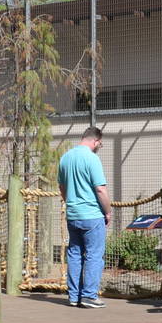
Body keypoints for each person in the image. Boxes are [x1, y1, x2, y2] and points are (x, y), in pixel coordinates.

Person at [57, 126, 113, 308]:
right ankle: (89, 295)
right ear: (95, 141)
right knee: (94, 254)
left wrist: (70, 202)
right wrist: (108, 211)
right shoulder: (92, 159)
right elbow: (100, 189)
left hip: (73, 214)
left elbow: (62, 187)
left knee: (74, 253)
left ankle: (73, 296)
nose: (99, 147)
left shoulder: (65, 158)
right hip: (91, 214)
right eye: (100, 144)